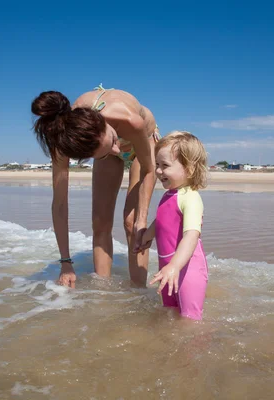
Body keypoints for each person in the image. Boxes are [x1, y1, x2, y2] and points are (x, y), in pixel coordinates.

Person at [31, 85, 160, 288]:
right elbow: (60, 204)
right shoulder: (63, 141)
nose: (117, 149)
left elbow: (149, 170)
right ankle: (103, 292)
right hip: (103, 147)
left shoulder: (128, 119)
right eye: (110, 148)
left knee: (131, 222)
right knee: (100, 222)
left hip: (142, 145)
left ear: (101, 122)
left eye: (113, 140)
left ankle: (138, 292)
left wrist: (142, 218)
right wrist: (66, 263)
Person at [134, 131, 209, 320]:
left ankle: (195, 348)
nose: (158, 171)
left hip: (187, 268)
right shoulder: (170, 194)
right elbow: (161, 221)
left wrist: (175, 266)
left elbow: (191, 235)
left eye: (165, 166)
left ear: (190, 169)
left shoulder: (190, 197)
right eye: (157, 165)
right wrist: (146, 237)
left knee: (190, 319)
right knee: (170, 312)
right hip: (167, 267)